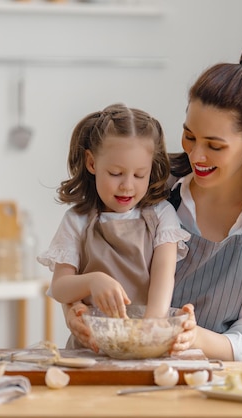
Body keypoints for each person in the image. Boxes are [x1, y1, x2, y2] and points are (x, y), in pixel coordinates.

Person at [64, 48, 242, 361]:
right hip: (112, 365)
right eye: (189, 136)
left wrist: (193, 335)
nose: (196, 155)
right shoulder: (151, 189)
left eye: (215, 146)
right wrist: (73, 313)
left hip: (207, 387)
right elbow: (85, 255)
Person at [38, 103, 191, 341]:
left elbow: (163, 278)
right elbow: (59, 287)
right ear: (92, 163)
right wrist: (93, 281)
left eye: (140, 174)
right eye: (116, 173)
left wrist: (149, 330)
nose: (127, 185)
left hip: (143, 338)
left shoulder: (161, 216)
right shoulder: (77, 220)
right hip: (91, 345)